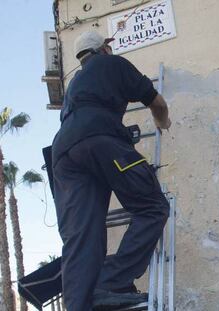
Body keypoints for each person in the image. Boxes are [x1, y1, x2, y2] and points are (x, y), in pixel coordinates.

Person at [52, 30, 171, 311]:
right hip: (100, 138)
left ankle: (81, 305)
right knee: (152, 206)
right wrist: (162, 123)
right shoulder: (112, 64)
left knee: (82, 234)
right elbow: (158, 103)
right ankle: (112, 282)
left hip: (63, 153)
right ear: (105, 49)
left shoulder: (73, 87)